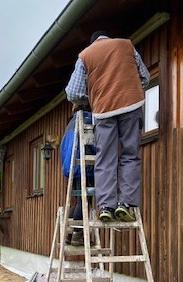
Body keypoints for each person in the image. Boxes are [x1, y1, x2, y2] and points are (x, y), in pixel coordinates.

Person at [65, 30, 150, 222]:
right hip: (131, 105)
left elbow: (73, 93)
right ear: (108, 38)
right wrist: (129, 92)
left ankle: (106, 206)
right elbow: (144, 77)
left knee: (105, 158)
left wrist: (94, 96)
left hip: (103, 111)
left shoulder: (85, 55)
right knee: (130, 154)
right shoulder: (126, 45)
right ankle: (126, 204)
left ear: (94, 41)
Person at [60, 107, 95, 246]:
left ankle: (69, 234)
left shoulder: (70, 124)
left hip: (72, 168)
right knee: (84, 201)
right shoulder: (86, 120)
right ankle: (77, 235)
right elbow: (91, 143)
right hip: (85, 166)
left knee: (78, 200)